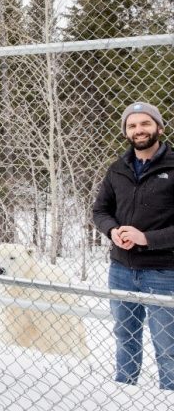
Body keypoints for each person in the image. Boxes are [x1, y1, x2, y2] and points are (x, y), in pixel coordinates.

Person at [93, 101, 174, 391]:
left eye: (145, 124)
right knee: (125, 337)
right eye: (132, 125)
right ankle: (124, 393)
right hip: (121, 269)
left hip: (163, 273)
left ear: (159, 128)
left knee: (167, 345)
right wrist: (112, 230)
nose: (138, 130)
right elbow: (99, 211)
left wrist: (147, 238)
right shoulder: (118, 169)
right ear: (127, 132)